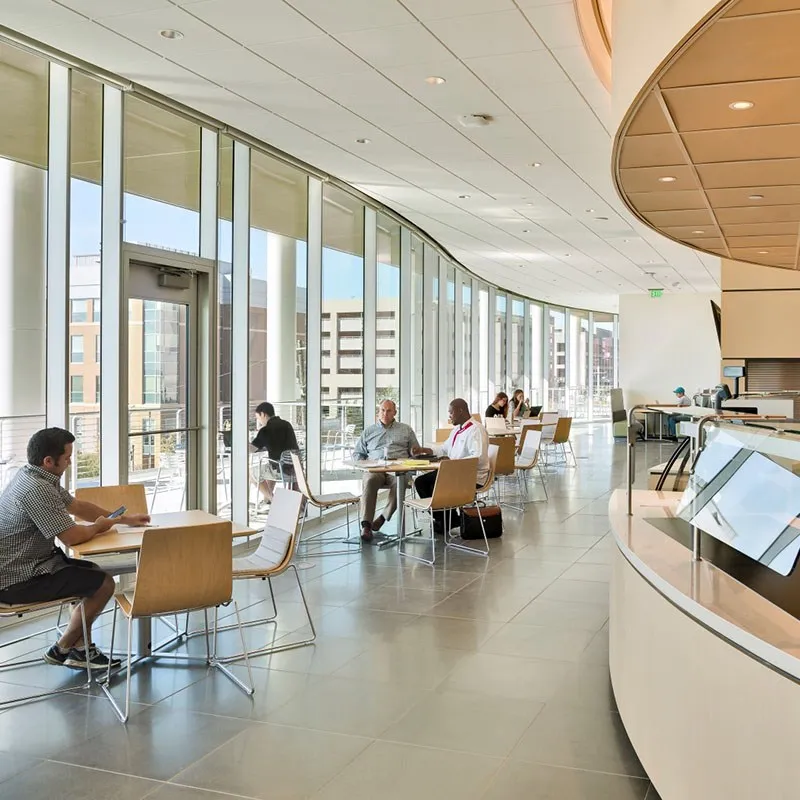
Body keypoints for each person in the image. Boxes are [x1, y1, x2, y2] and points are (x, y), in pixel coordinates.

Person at [0, 428, 150, 670]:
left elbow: (77, 506)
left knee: (91, 576)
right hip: (18, 580)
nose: (70, 462)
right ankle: (62, 647)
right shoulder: (37, 489)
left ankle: (80, 650)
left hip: (31, 566)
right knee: (103, 584)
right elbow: (72, 538)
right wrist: (99, 527)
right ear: (49, 461)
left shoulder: (33, 475)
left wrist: (123, 519)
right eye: (67, 457)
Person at [353, 399, 423, 542]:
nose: (385, 413)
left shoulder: (406, 430)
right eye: (382, 410)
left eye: (389, 411)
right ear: (378, 412)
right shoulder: (369, 431)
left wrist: (415, 453)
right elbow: (358, 454)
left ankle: (383, 517)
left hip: (399, 470)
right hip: (376, 469)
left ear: (395, 413)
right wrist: (365, 464)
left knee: (400, 482)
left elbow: (416, 452)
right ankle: (366, 525)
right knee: (369, 480)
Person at [414, 399, 489, 532]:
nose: (449, 416)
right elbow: (443, 449)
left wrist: (452, 464)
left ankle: (447, 520)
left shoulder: (476, 430)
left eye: (451, 412)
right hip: (455, 472)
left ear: (460, 411)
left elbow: (478, 458)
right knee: (423, 482)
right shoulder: (457, 430)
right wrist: (423, 450)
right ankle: (448, 519)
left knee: (424, 483)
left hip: (471, 477)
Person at [249, 402, 299, 504]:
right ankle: (267, 500)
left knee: (250, 472)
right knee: (270, 466)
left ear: (263, 414)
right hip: (295, 469)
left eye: (258, 418)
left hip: (280, 470)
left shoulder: (266, 430)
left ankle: (273, 499)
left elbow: (252, 449)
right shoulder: (287, 424)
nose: (259, 421)